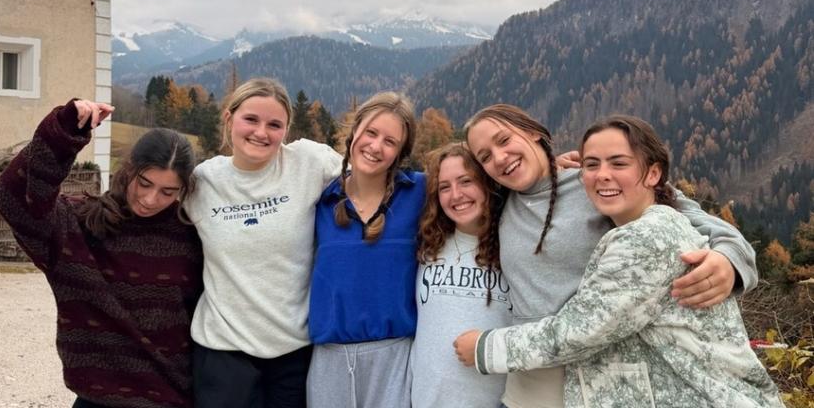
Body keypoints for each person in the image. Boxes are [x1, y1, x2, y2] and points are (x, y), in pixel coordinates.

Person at [462, 115, 783, 407]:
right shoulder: (503, 201)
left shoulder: (600, 186)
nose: (499, 157)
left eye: (504, 140)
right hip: (529, 379)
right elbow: (452, 191)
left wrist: (730, 259)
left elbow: (695, 222)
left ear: (533, 132)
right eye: (485, 156)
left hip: (596, 370)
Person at [0, 99, 203, 408]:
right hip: (95, 400)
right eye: (144, 183)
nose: (150, 199)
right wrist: (62, 133)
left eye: (167, 192)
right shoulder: (80, 226)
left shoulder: (194, 237)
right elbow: (10, 198)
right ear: (128, 169)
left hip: (172, 400)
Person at [184, 78, 341, 408]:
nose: (261, 132)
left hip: (293, 352)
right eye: (251, 119)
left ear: (286, 130)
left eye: (274, 125)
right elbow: (143, 207)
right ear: (229, 118)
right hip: (223, 353)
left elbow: (374, 181)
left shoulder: (309, 163)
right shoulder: (202, 182)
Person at [306, 92, 423, 408]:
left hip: (395, 357)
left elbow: (472, 188)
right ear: (354, 130)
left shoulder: (419, 192)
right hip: (329, 358)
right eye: (371, 132)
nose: (376, 146)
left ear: (401, 152)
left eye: (390, 141)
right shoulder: (321, 199)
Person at [411, 143, 512, 408]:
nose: (456, 195)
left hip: (495, 400)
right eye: (444, 187)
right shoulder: (428, 245)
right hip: (426, 401)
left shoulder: (514, 247)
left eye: (466, 181)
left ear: (488, 183)